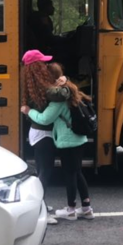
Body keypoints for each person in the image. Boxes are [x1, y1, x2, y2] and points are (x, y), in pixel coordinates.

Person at [21, 64, 94, 221]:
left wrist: (29, 111)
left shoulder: (58, 101)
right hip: (79, 139)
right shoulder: (71, 90)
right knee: (78, 172)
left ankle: (71, 210)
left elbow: (45, 118)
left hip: (67, 142)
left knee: (69, 175)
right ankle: (86, 208)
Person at [21, 50, 70, 225]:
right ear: (36, 67)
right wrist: (64, 82)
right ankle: (39, 209)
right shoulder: (45, 88)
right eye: (42, 63)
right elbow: (62, 94)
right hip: (44, 133)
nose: (45, 65)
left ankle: (40, 204)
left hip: (37, 132)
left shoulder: (31, 84)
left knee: (42, 170)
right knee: (45, 173)